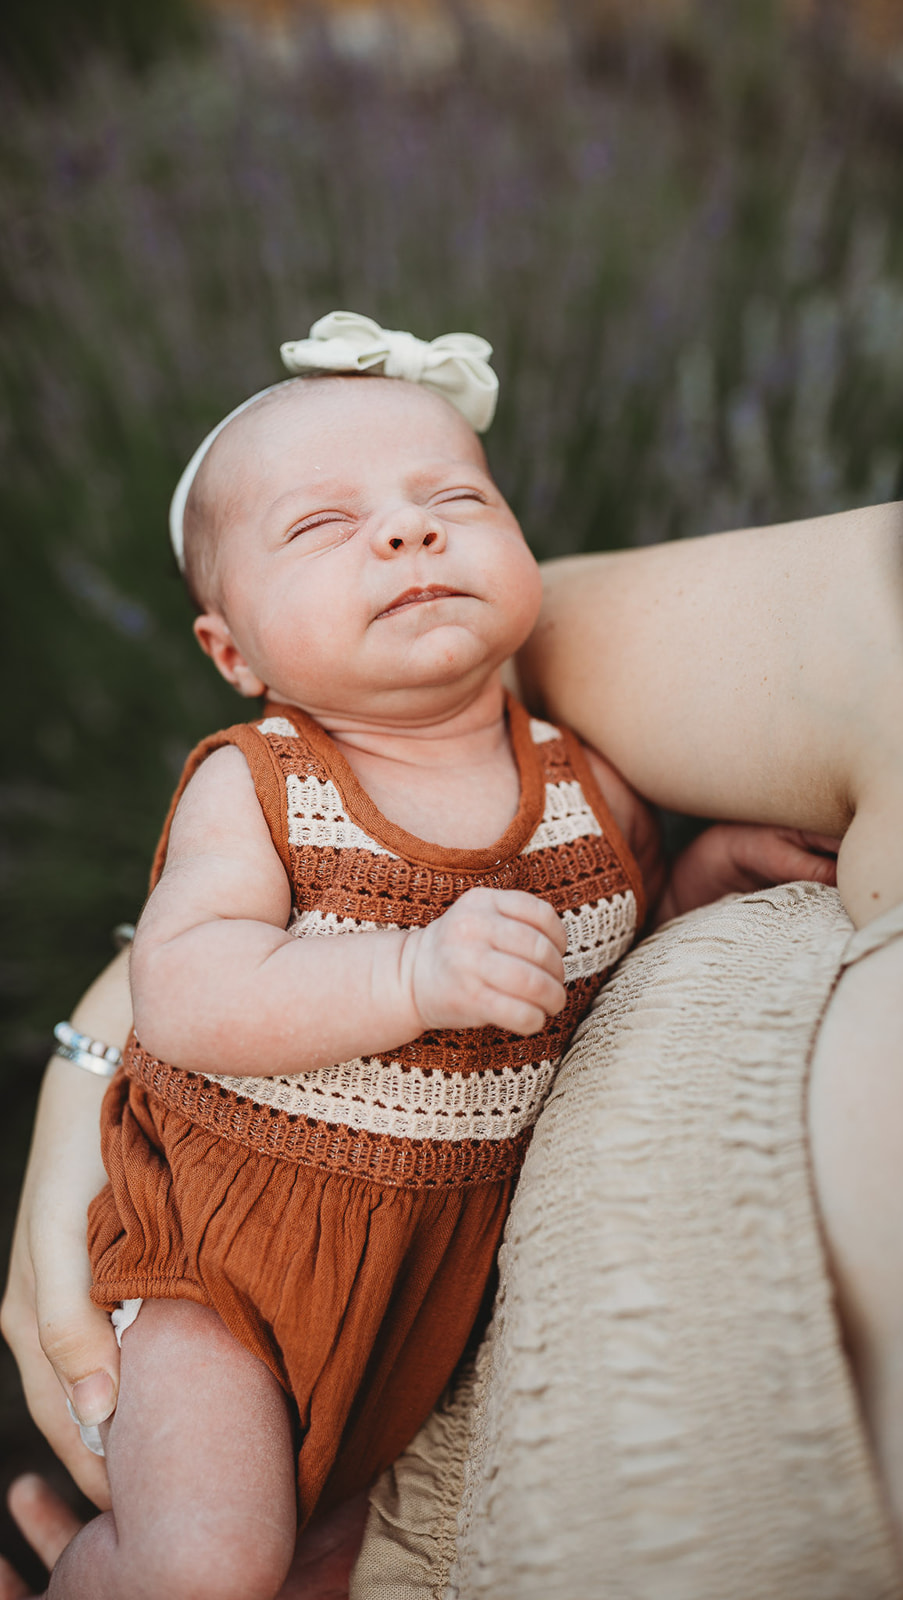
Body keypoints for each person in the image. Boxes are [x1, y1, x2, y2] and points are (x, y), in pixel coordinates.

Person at [0, 313, 842, 1600]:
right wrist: (408, 976)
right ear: (235, 654)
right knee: (211, 1565)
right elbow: (185, 991)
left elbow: (581, 975)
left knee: (351, 1569)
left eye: (453, 497)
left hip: (428, 1301)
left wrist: (697, 885)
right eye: (322, 527)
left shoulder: (583, 786)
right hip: (230, 1271)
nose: (406, 531)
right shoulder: (263, 785)